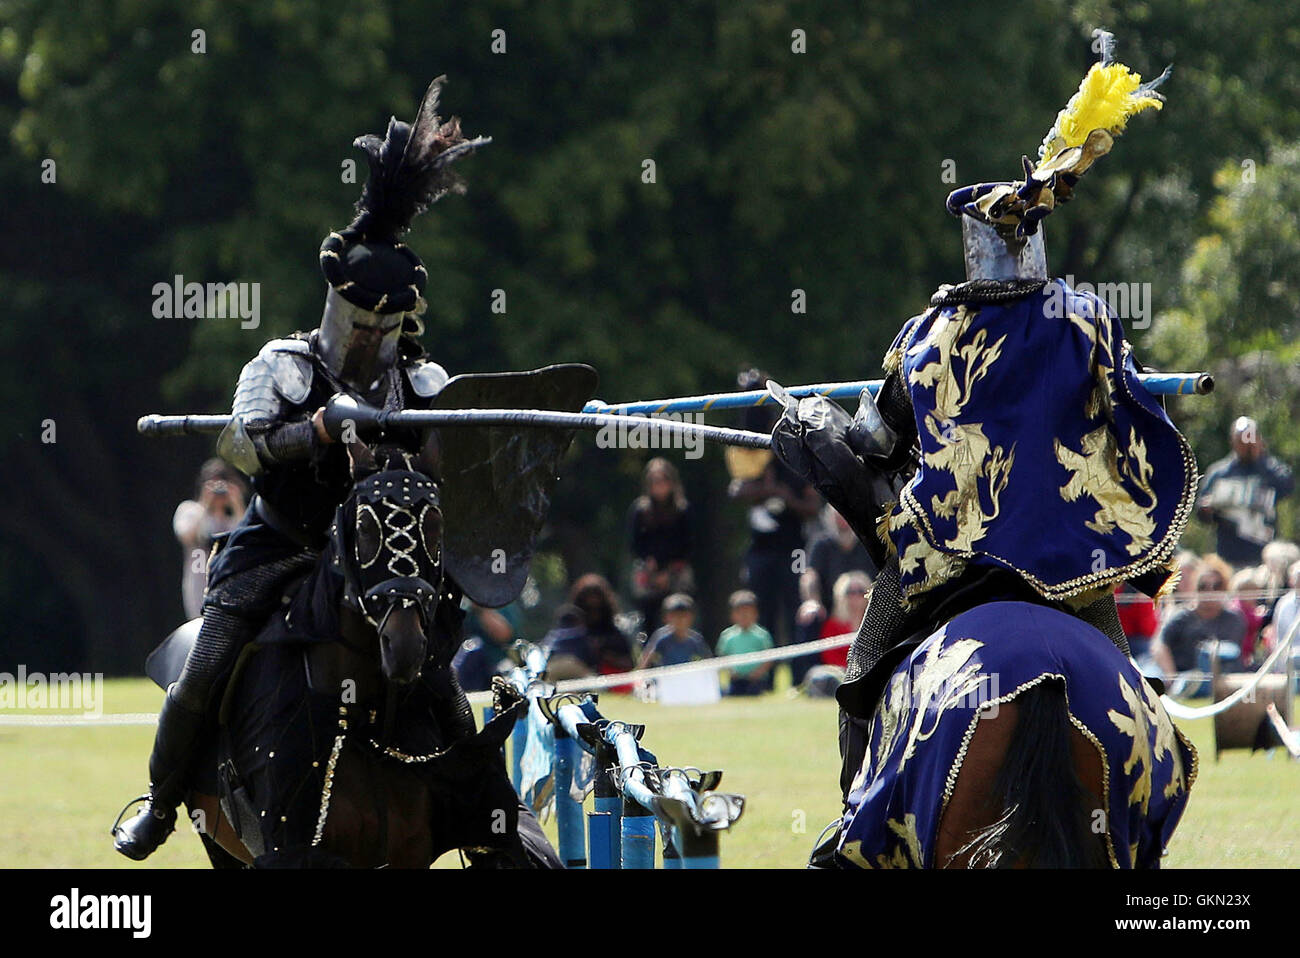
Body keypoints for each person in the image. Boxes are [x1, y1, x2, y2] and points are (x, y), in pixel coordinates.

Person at [113, 79, 489, 860]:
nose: (373, 337)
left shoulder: (421, 384)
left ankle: (488, 810)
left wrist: (422, 440)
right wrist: (316, 429)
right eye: (363, 319)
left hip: (382, 565)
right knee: (208, 664)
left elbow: (452, 471)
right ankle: (160, 798)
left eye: (390, 324)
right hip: (283, 548)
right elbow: (245, 445)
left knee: (446, 687)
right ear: (337, 306)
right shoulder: (283, 367)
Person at [728, 391, 822, 650]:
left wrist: (785, 497)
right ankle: (764, 673)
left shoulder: (796, 464)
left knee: (795, 604)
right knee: (761, 607)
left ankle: (798, 669)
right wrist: (766, 491)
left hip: (794, 549)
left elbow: (812, 506)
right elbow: (736, 491)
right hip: (760, 549)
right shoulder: (753, 461)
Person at [1197, 417, 1295, 568]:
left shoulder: (1270, 468)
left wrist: (1260, 457)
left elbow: (1287, 486)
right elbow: (1201, 512)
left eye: (1250, 437)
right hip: (1228, 550)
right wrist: (1208, 508)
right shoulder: (1220, 472)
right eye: (1241, 439)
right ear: (1232, 441)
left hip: (1263, 552)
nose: (1246, 443)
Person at [794, 506, 877, 682]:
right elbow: (810, 576)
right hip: (833, 610)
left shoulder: (869, 543)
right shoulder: (820, 545)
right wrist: (811, 602)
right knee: (808, 619)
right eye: (838, 517)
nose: (843, 522)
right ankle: (808, 680)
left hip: (868, 608)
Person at [173, 459, 248, 619]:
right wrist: (205, 504)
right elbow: (188, 535)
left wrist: (237, 503)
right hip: (198, 582)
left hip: (229, 586)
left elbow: (247, 537)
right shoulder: (191, 511)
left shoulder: (233, 520)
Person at [627, 458, 695, 632]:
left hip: (676, 572)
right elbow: (635, 543)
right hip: (649, 572)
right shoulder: (640, 510)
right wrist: (649, 563)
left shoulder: (682, 510)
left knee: (679, 614)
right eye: (655, 482)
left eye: (663, 480)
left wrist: (670, 569)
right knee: (648, 619)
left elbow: (688, 543)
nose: (659, 486)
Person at [1151, 557, 1246, 680]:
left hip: (1219, 678)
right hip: (1180, 676)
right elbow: (1159, 646)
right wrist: (1171, 677)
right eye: (1203, 586)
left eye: (1217, 586)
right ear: (1195, 588)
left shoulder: (1234, 619)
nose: (1209, 591)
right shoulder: (1181, 616)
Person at [569, 574, 635, 676]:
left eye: (595, 596)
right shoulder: (574, 634)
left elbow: (629, 663)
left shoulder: (615, 635)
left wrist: (606, 656)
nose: (592, 601)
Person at [451, 602, 519, 692]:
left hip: (497, 666)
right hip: (469, 669)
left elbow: (504, 635)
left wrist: (482, 609)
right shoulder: (466, 609)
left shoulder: (505, 604)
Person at [716, 590, 774, 695]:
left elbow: (769, 657)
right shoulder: (727, 635)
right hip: (736, 679)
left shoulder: (762, 635)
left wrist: (757, 673)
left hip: (757, 680)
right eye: (739, 612)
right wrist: (731, 672)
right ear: (733, 615)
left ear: (755, 613)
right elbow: (722, 656)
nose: (744, 615)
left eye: (748, 611)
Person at [638, 594, 711, 669]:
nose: (679, 620)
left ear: (691, 618)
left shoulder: (696, 640)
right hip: (667, 676)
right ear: (666, 618)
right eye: (674, 616)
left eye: (683, 616)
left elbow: (708, 661)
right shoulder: (661, 638)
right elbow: (645, 661)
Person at [819, 571, 872, 670]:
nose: (855, 596)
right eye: (850, 592)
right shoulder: (832, 626)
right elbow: (830, 657)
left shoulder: (876, 624)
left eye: (861, 591)